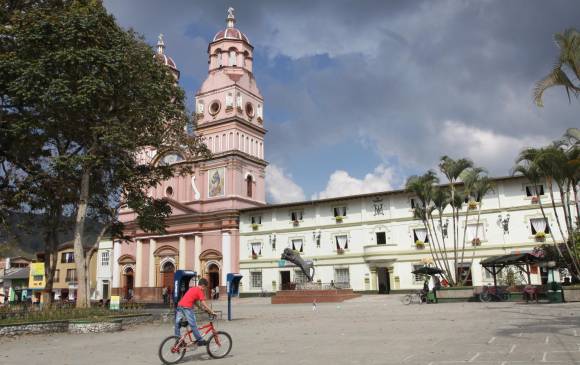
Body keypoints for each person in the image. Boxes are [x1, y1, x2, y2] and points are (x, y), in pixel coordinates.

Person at [174, 278, 216, 346]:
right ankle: (200, 340)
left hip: (180, 306)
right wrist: (211, 311)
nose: (204, 289)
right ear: (203, 285)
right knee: (193, 325)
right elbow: (203, 302)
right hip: (187, 308)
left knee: (177, 324)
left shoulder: (192, 288)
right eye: (205, 287)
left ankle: (178, 341)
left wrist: (201, 309)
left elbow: (194, 301)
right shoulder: (199, 291)